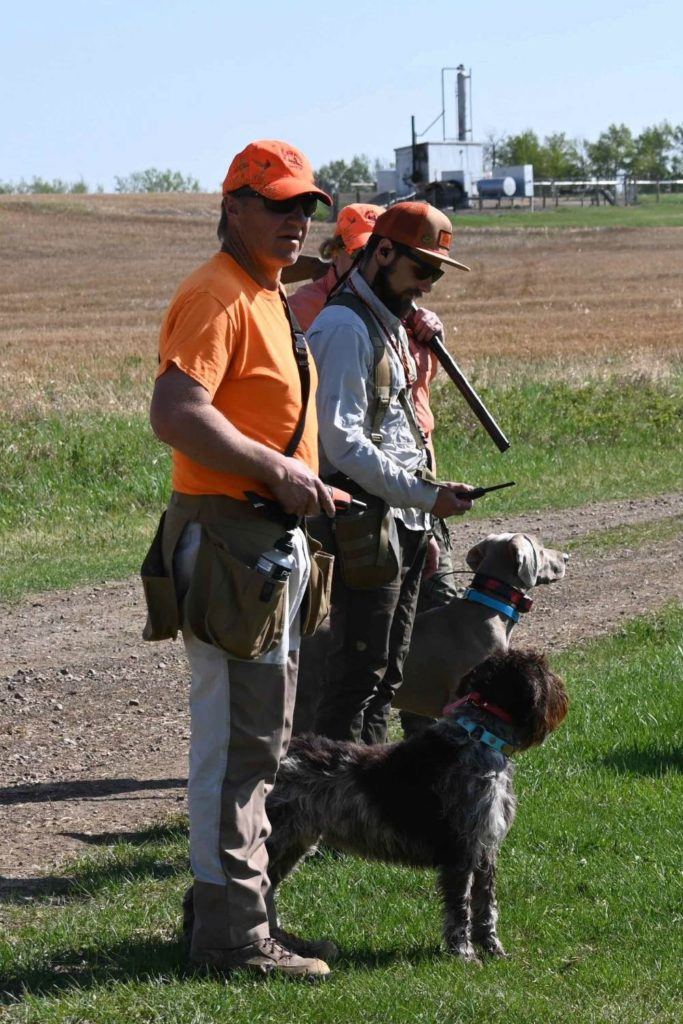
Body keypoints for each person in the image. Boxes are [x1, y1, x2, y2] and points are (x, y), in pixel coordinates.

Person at [144, 139, 338, 979]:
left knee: (260, 744)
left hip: (257, 542)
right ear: (233, 206)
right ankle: (228, 940)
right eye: (279, 204)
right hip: (229, 540)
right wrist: (278, 469)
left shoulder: (260, 292)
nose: (296, 219)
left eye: (305, 207)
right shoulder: (217, 294)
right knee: (231, 748)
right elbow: (176, 414)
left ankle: (245, 922)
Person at [306, 201, 475, 744]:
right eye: (421, 269)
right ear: (382, 252)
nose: (427, 284)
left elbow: (399, 429)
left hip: (397, 522)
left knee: (386, 679)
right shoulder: (343, 327)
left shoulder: (391, 325)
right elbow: (342, 444)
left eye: (437, 273)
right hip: (364, 522)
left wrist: (422, 512)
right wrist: (425, 496)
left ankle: (366, 804)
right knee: (357, 678)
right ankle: (324, 801)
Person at [288, 203, 384, 330]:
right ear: (335, 252)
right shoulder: (302, 307)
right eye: (360, 254)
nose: (372, 265)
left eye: (382, 254)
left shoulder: (395, 302)